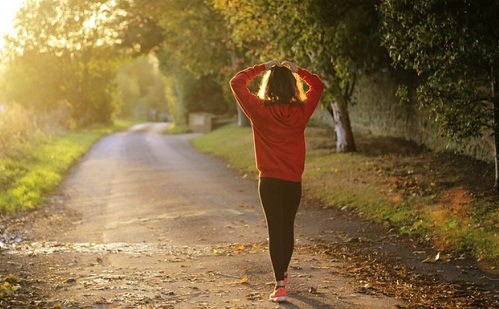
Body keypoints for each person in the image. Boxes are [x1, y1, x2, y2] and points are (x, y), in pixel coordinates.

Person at [229, 60, 325, 302]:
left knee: (275, 230)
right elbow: (318, 85)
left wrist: (262, 67)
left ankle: (280, 284)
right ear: (293, 86)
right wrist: (298, 70)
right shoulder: (301, 110)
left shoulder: (258, 109)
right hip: (292, 181)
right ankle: (282, 275)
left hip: (269, 181)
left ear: (268, 85)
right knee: (287, 228)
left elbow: (236, 82)